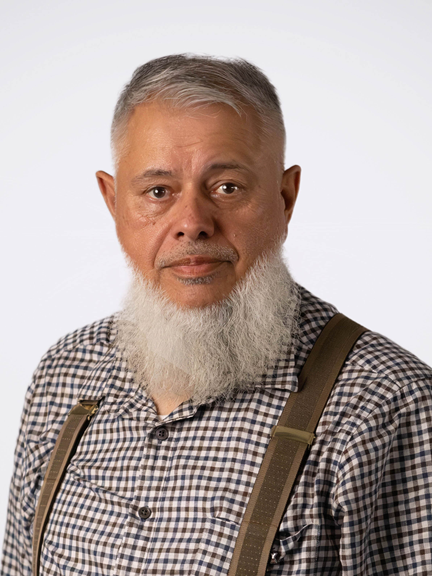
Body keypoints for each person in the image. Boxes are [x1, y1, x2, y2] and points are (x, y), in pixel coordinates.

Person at [1, 54, 431, 576]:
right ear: (114, 203)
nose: (192, 223)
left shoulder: (385, 404)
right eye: (158, 192)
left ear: (286, 196)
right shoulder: (64, 376)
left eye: (227, 187)